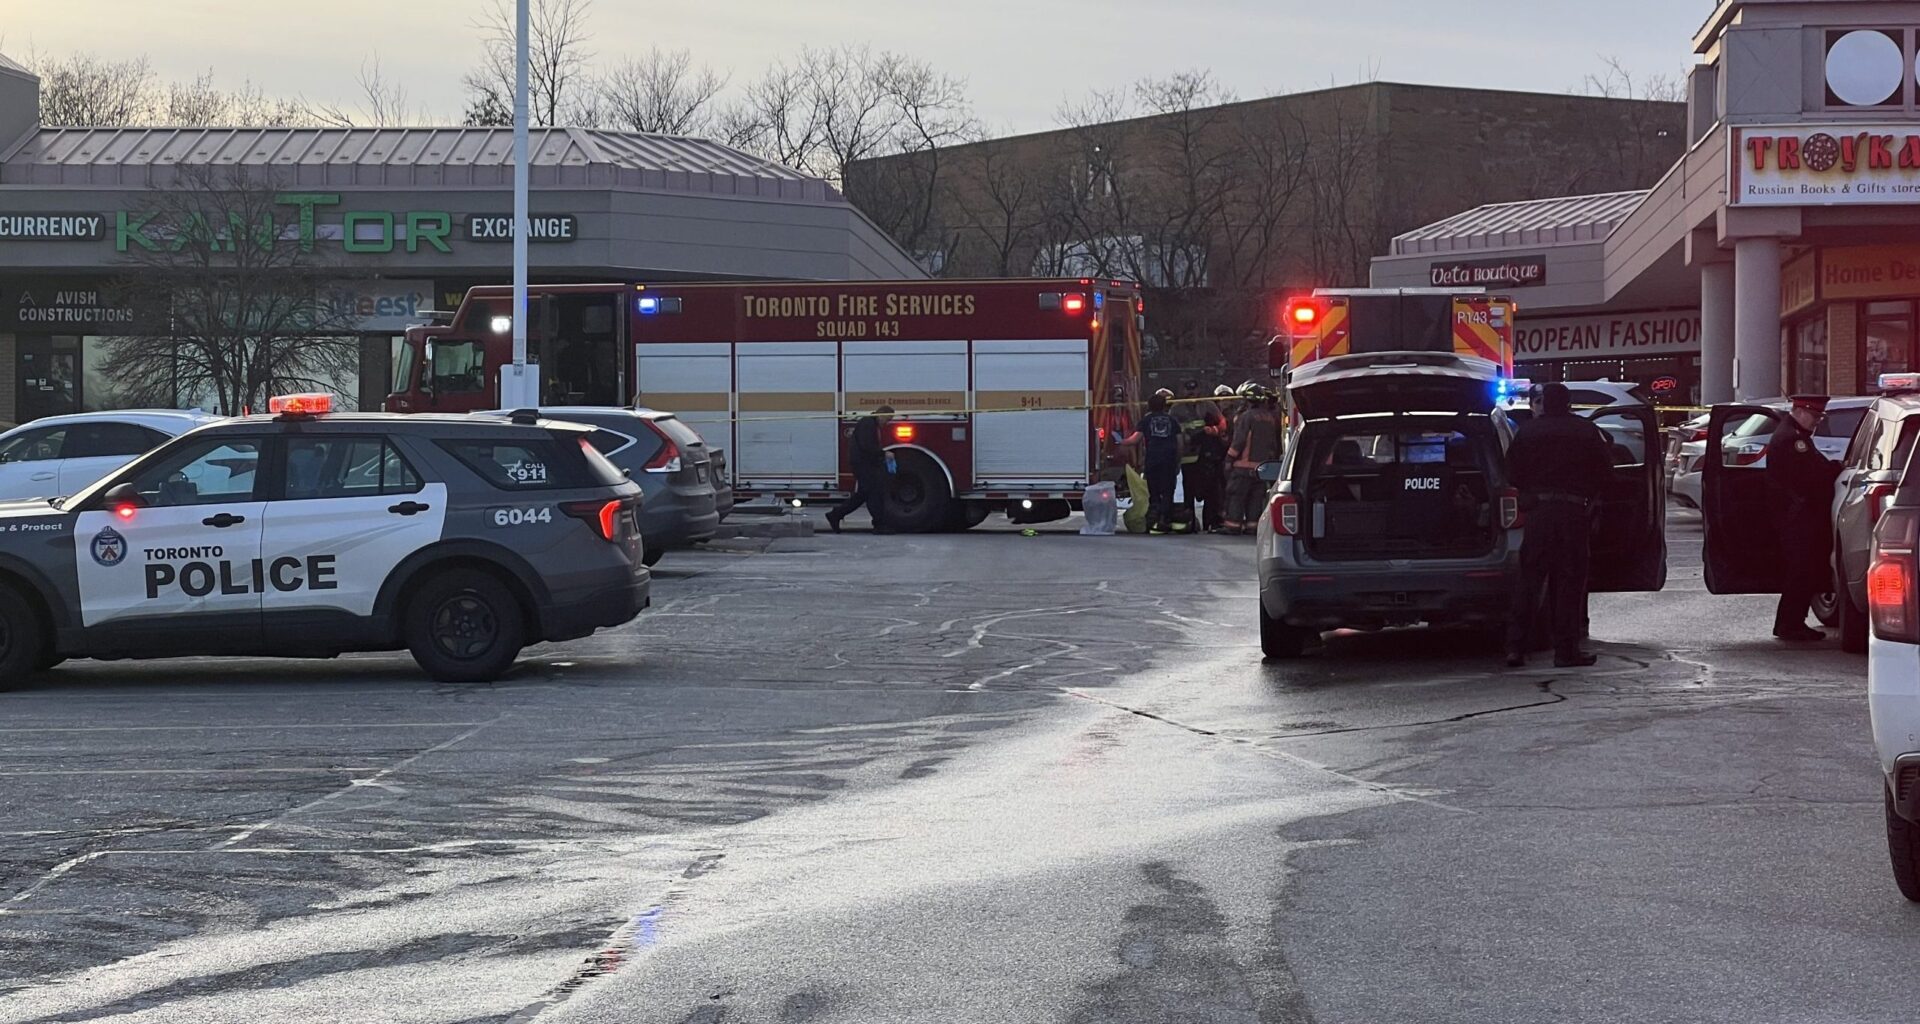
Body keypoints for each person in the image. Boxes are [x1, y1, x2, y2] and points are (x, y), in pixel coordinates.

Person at [1504, 382, 1614, 668]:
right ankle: (1566, 651)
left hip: (1539, 513)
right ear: (1567, 403)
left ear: (1543, 402)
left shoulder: (1527, 432)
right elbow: (1605, 469)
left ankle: (1515, 648)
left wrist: (1529, 491)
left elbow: (1510, 471)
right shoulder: (1584, 430)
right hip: (1573, 512)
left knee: (1529, 581)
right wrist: (1591, 497)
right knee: (1569, 582)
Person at [1766, 394, 1842, 643]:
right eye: (1814, 416)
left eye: (1820, 417)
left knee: (1801, 571)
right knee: (1801, 571)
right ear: (1799, 411)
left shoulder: (1792, 435)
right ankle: (1790, 624)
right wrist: (1835, 469)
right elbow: (1813, 476)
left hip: (1794, 514)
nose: (1817, 421)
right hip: (1797, 516)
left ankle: (1790, 622)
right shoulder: (1793, 440)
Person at [1114, 391, 1184, 534]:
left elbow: (1135, 439)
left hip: (1153, 461)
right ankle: (1166, 519)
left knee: (1154, 492)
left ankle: (1154, 520)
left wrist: (1121, 441)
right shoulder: (1172, 420)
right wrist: (1178, 459)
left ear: (1149, 406)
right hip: (1169, 461)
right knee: (1168, 491)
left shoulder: (1146, 420)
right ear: (1165, 406)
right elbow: (1180, 443)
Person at [826, 405, 896, 534]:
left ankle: (837, 515)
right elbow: (867, 445)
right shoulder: (868, 424)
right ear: (881, 414)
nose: (887, 422)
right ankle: (837, 515)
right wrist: (883, 454)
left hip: (865, 464)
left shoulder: (870, 423)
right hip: (863, 464)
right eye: (888, 419)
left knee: (868, 493)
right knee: (869, 493)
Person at [1224, 387, 1281, 535]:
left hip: (1243, 466)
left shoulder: (1246, 417)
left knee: (1237, 496)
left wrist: (1229, 459)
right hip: (1262, 468)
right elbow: (1274, 444)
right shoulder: (1270, 417)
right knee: (1256, 498)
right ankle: (1252, 527)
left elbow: (1239, 441)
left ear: (1248, 400)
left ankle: (1233, 526)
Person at [1179, 380, 1229, 533]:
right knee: (1189, 492)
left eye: (1194, 390)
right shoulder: (1177, 407)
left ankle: (1210, 522)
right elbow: (1174, 427)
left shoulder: (1208, 405)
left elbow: (1222, 423)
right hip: (1188, 456)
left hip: (1207, 456)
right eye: (1188, 390)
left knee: (1211, 491)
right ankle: (1190, 524)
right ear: (1183, 391)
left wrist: (1213, 430)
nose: (1191, 393)